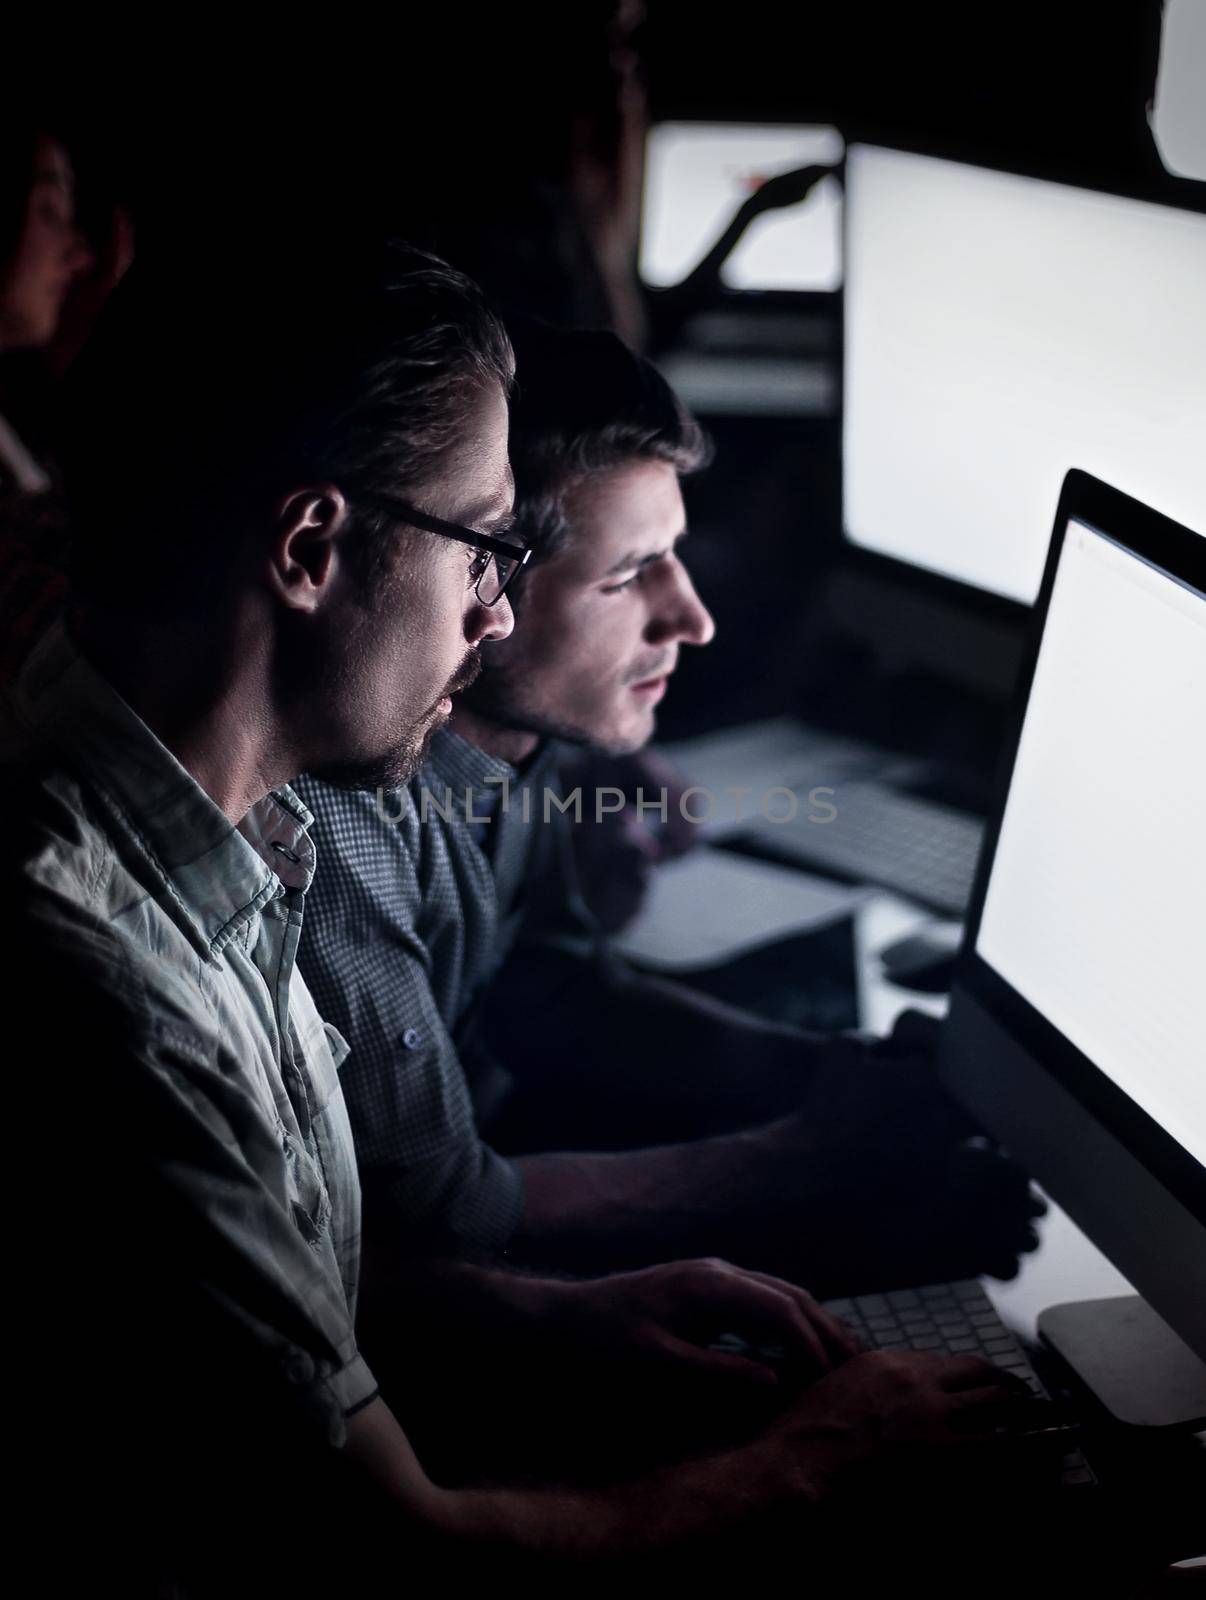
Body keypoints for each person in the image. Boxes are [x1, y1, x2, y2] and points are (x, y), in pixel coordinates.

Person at [5, 244, 1021, 1592]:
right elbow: (393, 1545)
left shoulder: (245, 828)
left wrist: (555, 1320)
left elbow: (305, 1291)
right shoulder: (110, 994)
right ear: (309, 547)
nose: (492, 617)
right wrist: (804, 1462)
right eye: (485, 545)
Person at [298, 322, 1043, 1295]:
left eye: (676, 557)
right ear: (479, 580)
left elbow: (551, 984)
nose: (692, 618)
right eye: (626, 575)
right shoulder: (338, 822)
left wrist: (830, 1074)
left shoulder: (533, 740)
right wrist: (804, 1153)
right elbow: (435, 1218)